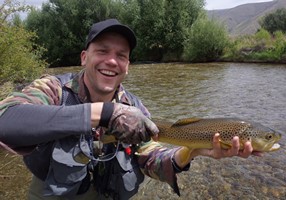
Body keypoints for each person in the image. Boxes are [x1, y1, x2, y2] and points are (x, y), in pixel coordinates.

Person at [0, 18, 261, 200]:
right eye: (102, 51)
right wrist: (104, 113)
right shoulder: (53, 90)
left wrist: (191, 152)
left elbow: (151, 160)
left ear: (127, 65)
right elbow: (7, 120)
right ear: (84, 57)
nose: (112, 61)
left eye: (121, 55)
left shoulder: (136, 109)